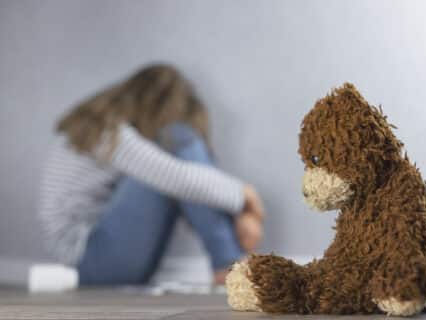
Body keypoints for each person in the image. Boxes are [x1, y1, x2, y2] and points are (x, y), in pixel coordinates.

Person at [38, 64, 264, 285]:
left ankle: (229, 262)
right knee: (178, 138)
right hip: (90, 260)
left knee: (174, 169)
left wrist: (235, 213)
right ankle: (229, 265)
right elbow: (179, 179)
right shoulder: (109, 134)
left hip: (96, 259)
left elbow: (186, 192)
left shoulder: (95, 127)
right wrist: (246, 197)